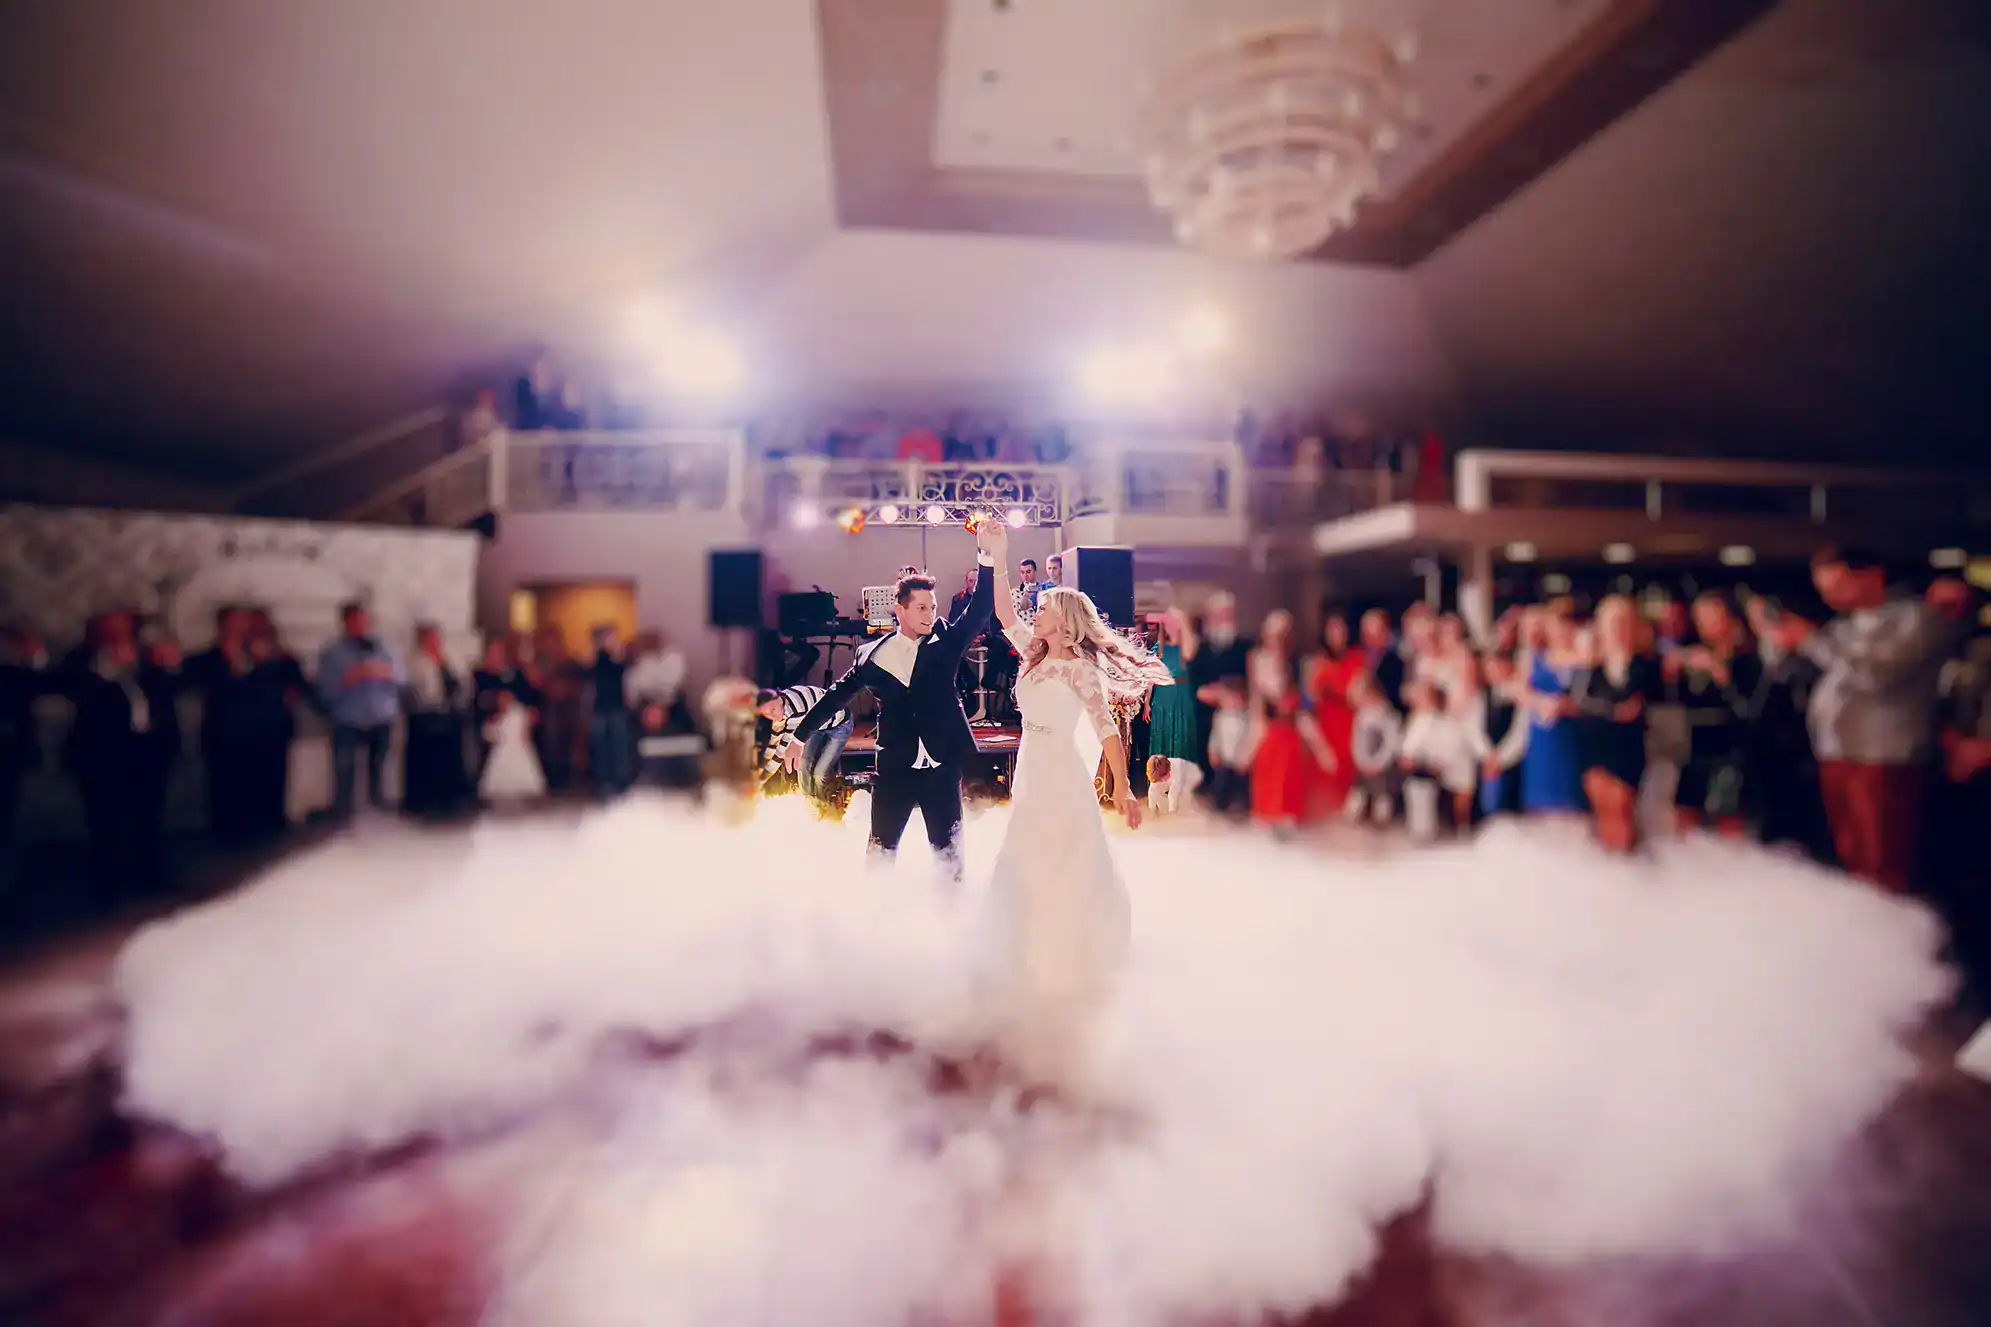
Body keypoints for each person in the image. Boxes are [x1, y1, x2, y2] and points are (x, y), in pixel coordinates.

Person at [980, 552, 1172, 1093]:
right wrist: (991, 552)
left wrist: (1126, 789)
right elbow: (1001, 612)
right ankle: (1020, 952)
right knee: (1024, 855)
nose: (1032, 614)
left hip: (1061, 771)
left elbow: (1107, 731)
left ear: (1063, 621)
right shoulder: (1033, 654)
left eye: (1041, 609)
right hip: (1032, 769)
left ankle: (1073, 958)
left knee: (1066, 858)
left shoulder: (1078, 669)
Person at [785, 523, 998, 878]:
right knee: (880, 855)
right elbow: (837, 696)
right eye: (921, 608)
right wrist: (799, 736)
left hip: (943, 768)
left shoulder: (946, 644)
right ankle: (876, 920)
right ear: (899, 610)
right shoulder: (872, 655)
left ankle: (952, 922)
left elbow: (980, 609)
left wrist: (987, 556)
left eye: (932, 607)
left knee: (950, 859)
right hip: (895, 768)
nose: (930, 614)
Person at [1572, 596, 1660, 854]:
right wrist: (1613, 710)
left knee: (1623, 807)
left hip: (1628, 745)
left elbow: (1643, 705)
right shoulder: (1592, 666)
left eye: (1622, 623)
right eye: (1611, 623)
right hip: (1596, 742)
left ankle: (1628, 864)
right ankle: (1608, 870)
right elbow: (1581, 701)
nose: (1616, 629)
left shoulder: (1644, 663)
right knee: (1602, 808)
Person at [315, 602, 403, 819]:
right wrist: (349, 678)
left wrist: (386, 673)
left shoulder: (383, 648)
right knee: (344, 768)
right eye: (355, 621)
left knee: (379, 767)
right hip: (348, 720)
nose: (360, 626)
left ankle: (377, 808)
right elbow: (323, 691)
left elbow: (403, 678)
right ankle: (342, 813)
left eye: (364, 620)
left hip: (380, 717)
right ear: (345, 623)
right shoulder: (333, 653)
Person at [757, 684, 850, 804]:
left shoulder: (796, 711)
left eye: (773, 710)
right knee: (803, 764)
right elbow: (773, 743)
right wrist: (760, 770)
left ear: (779, 700)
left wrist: (761, 780)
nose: (772, 716)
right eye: (767, 714)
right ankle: (810, 802)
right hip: (814, 726)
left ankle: (823, 804)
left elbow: (782, 752)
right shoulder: (780, 708)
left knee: (819, 773)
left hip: (840, 724)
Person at [479, 692, 546, 806]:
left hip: (518, 746)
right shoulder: (498, 716)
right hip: (503, 748)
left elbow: (527, 726)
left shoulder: (518, 713)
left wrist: (527, 744)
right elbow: (493, 734)